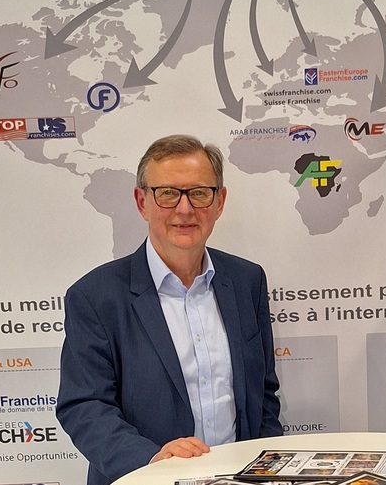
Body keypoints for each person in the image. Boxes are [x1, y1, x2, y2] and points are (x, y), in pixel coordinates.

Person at [56, 134, 282, 485]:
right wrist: (151, 461)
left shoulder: (246, 281)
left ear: (219, 202)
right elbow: (85, 406)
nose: (184, 209)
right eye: (167, 193)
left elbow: (263, 393)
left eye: (199, 193)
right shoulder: (95, 297)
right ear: (142, 202)